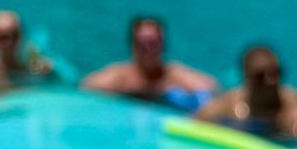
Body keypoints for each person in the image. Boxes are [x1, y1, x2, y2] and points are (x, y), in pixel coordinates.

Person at [81, 16, 219, 106]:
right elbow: (86, 88)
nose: (148, 50)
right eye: (142, 44)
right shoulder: (121, 77)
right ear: (133, 45)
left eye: (153, 43)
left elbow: (211, 87)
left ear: (163, 45)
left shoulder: (172, 76)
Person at [197, 45, 297, 141]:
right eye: (260, 76)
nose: (271, 81)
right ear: (246, 78)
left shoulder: (294, 111)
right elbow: (195, 124)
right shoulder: (230, 104)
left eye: (276, 73)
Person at [0, 10, 58, 94]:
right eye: (3, 38)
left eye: (15, 35)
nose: (10, 43)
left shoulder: (35, 65)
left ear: (22, 36)